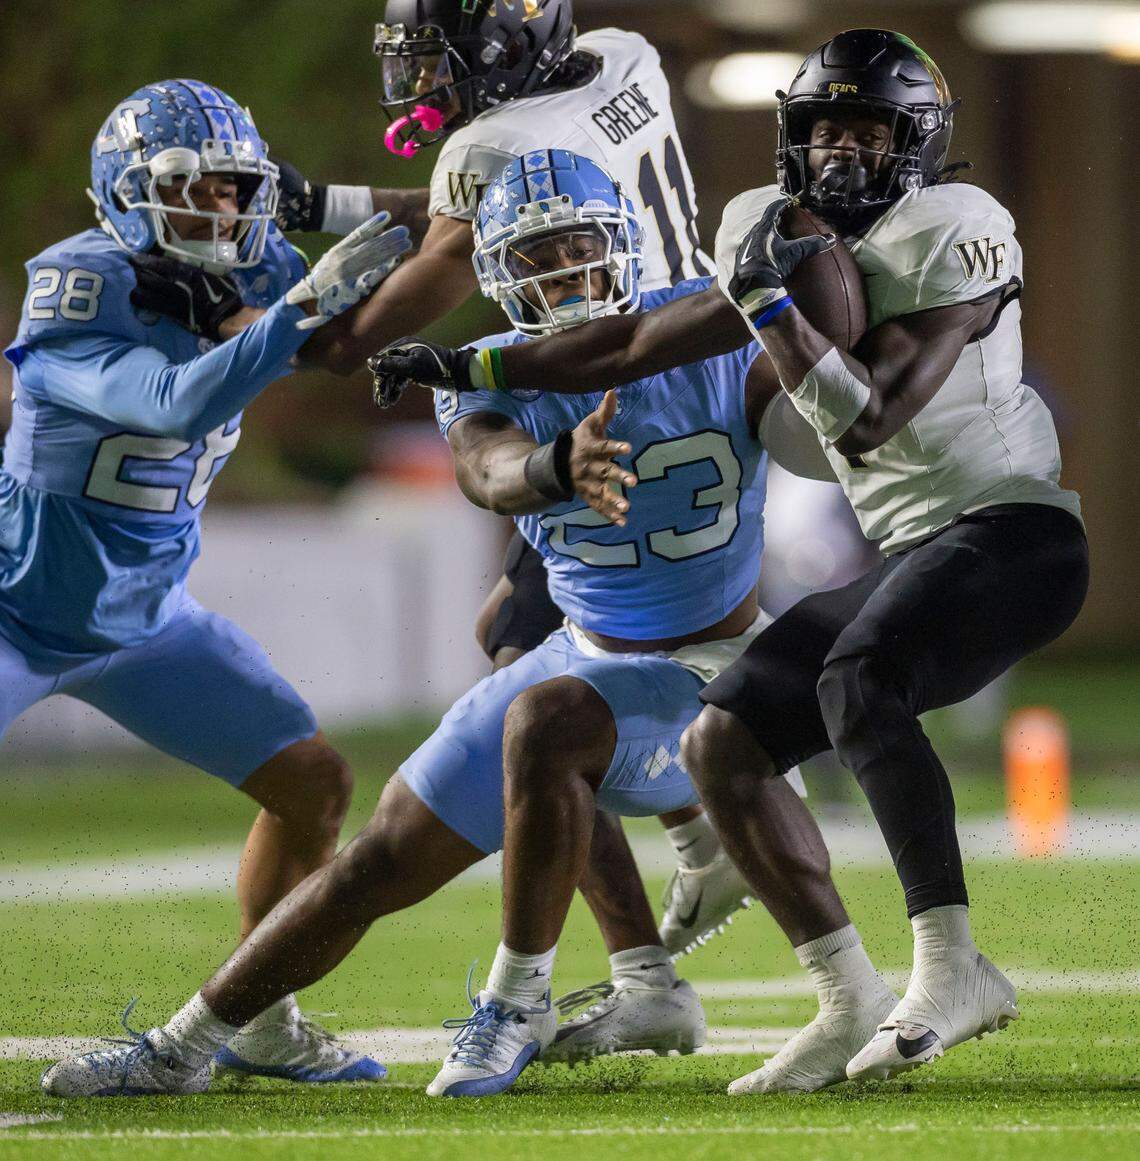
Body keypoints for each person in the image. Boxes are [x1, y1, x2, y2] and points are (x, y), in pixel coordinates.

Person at [43, 150, 895, 1101]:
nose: (568, 270)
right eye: (538, 256)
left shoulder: (709, 327)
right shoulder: (486, 372)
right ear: (497, 275)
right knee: (380, 856)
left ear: (623, 243)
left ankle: (518, 996)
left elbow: (815, 374)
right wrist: (554, 469)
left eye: (581, 243)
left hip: (714, 662)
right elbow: (486, 470)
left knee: (547, 720)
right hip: (594, 651)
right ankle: (182, 1044)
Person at [374, 30, 1089, 1090]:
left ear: (919, 143)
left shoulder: (958, 227)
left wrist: (765, 309)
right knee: (727, 737)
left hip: (1013, 529)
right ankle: (849, 1001)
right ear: (793, 138)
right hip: (909, 547)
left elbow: (870, 423)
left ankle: (953, 967)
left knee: (859, 679)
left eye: (871, 130)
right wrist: (474, 357)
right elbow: (630, 343)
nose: (846, 150)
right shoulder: (766, 226)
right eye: (828, 128)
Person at [132, 0, 760, 1012]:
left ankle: (645, 948)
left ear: (505, 50)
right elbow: (474, 200)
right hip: (687, 366)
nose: (423, 89)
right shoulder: (620, 60)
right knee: (522, 637)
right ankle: (687, 850)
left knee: (528, 661)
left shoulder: (498, 141)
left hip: (605, 382)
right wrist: (320, 201)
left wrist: (291, 333)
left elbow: (428, 267)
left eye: (438, 64)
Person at [3, 78, 412, 1089]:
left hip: (146, 623)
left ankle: (262, 1016)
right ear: (125, 191)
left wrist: (330, 206)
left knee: (310, 783)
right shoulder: (79, 282)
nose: (222, 213)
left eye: (239, 191)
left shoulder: (261, 258)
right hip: (16, 612)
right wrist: (300, 308)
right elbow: (171, 404)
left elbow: (439, 218)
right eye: (195, 191)